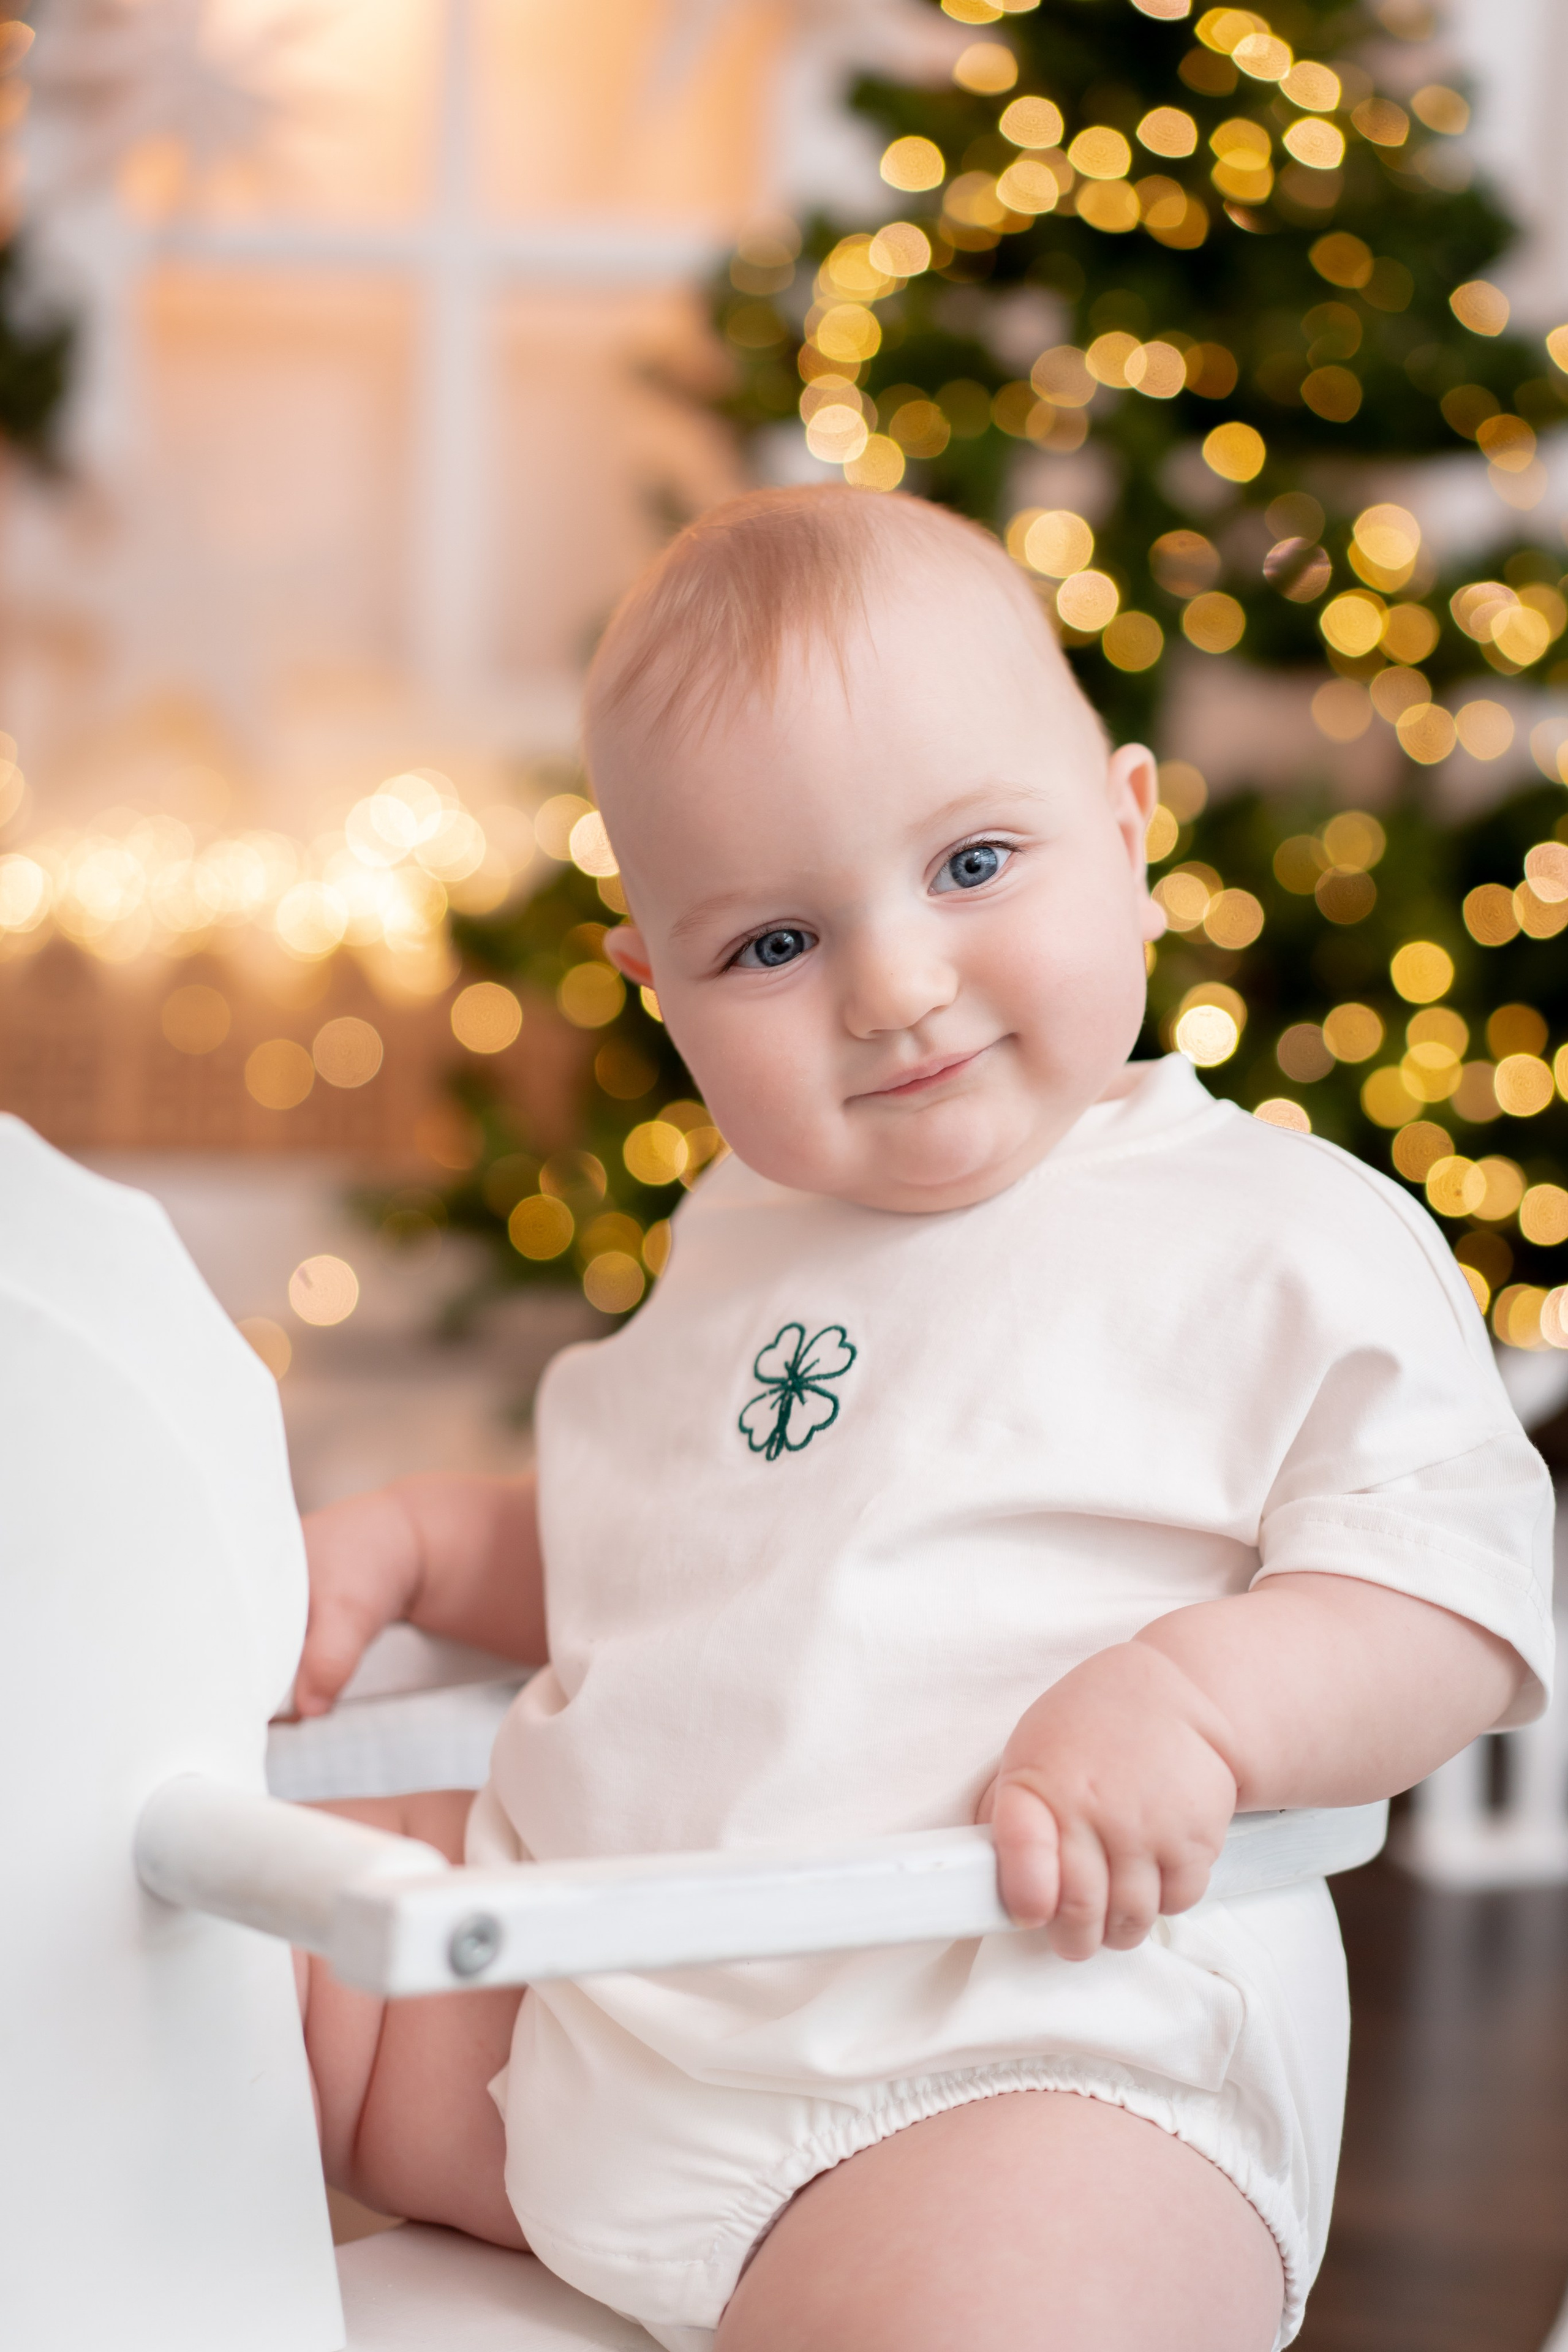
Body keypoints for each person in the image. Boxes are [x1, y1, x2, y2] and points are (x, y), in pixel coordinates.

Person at [295, 486, 1551, 2352]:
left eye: (974, 866)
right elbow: (668, 1559)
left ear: (1130, 831)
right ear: (664, 993)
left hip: (1013, 2053)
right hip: (589, 2010)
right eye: (774, 948)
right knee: (183, 1947)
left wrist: (1196, 1703)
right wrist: (418, 1539)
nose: (894, 988)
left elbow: (1453, 1592)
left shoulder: (1267, 1233)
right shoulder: (735, 1247)